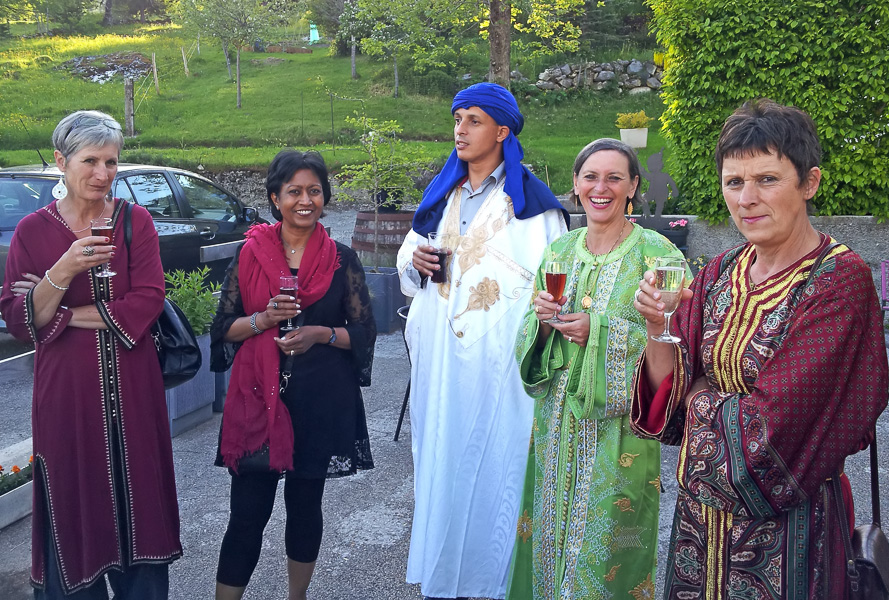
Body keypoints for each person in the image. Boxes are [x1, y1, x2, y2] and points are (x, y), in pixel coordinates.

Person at [631, 99, 889, 599]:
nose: (747, 199)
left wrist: (698, 393)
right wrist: (657, 327)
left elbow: (769, 439)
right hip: (698, 529)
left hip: (791, 533)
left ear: (809, 183)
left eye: (767, 179)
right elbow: (666, 398)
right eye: (734, 182)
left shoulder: (837, 282)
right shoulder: (721, 270)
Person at [396, 82, 568, 600]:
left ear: (502, 131)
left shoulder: (533, 205)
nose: (461, 130)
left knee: (499, 460)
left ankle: (495, 580)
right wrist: (415, 263)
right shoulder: (442, 193)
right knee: (442, 457)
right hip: (441, 359)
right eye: (457, 119)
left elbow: (555, 277)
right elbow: (410, 262)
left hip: (499, 366)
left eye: (473, 120)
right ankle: (443, 574)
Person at [0, 110, 182, 598]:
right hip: (66, 396)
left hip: (135, 392)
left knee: (140, 506)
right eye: (90, 161)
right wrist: (63, 269)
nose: (103, 173)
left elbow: (146, 302)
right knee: (71, 498)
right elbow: (19, 321)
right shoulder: (32, 233)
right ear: (62, 161)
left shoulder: (135, 222)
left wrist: (55, 310)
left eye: (111, 162)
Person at [505, 138, 684, 600]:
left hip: (619, 433)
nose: (600, 188)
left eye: (614, 178)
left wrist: (600, 332)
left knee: (607, 553)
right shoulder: (559, 251)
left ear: (633, 186)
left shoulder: (659, 256)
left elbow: (678, 342)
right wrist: (542, 322)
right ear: (575, 183)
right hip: (555, 424)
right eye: (590, 177)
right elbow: (527, 334)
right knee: (547, 541)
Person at [211, 149, 376, 600]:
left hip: (319, 401)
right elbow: (224, 329)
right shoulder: (250, 255)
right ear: (275, 198)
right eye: (295, 192)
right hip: (257, 403)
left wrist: (321, 334)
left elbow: (364, 332)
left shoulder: (341, 260)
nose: (306, 200)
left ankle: (296, 596)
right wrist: (263, 320)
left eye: (314, 191)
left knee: (305, 509)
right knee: (246, 516)